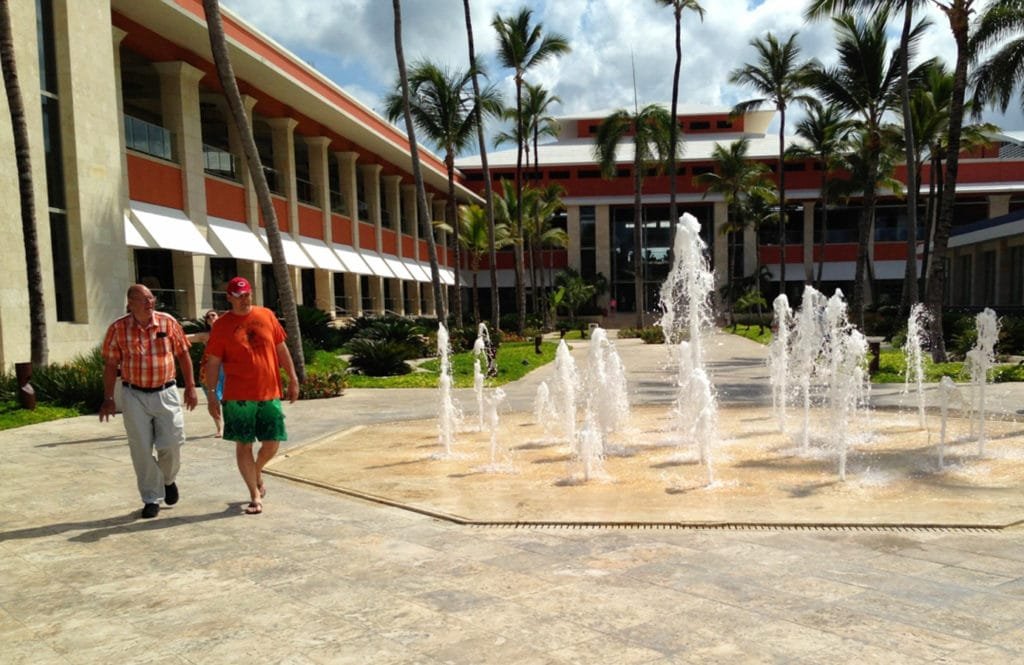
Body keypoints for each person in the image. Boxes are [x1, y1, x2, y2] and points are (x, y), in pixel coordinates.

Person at [100, 284, 198, 519]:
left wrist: (191, 387)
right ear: (130, 303)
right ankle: (151, 498)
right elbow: (111, 365)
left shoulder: (167, 322)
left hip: (166, 391)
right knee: (141, 449)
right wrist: (108, 398)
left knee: (172, 443)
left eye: (151, 298)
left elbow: (183, 353)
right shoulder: (118, 328)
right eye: (143, 299)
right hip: (134, 395)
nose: (149, 302)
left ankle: (168, 480)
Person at [204, 277, 299, 515]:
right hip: (238, 396)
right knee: (243, 444)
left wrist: (293, 378)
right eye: (239, 296)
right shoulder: (222, 326)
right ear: (229, 298)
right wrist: (212, 395)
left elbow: (281, 348)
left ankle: (256, 471)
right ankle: (255, 495)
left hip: (269, 392)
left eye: (247, 294)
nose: (244, 299)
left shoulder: (266, 315)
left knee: (272, 442)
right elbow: (213, 362)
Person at [189, 309, 225, 437]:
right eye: (208, 317)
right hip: (209, 370)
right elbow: (188, 338)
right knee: (213, 399)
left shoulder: (228, 332)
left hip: (226, 368)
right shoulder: (205, 336)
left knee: (229, 398)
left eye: (213, 315)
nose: (210, 318)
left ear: (219, 317)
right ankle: (219, 427)